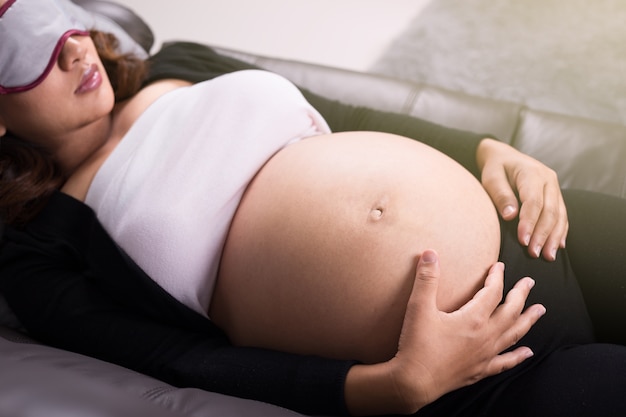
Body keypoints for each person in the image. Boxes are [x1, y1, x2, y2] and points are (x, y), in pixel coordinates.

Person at [1, 1, 626, 416]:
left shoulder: (179, 63)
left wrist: (490, 149)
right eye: (18, 53)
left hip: (536, 227)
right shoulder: (39, 247)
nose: (75, 51)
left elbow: (349, 116)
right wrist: (385, 389)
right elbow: (176, 359)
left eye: (57, 17)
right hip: (471, 374)